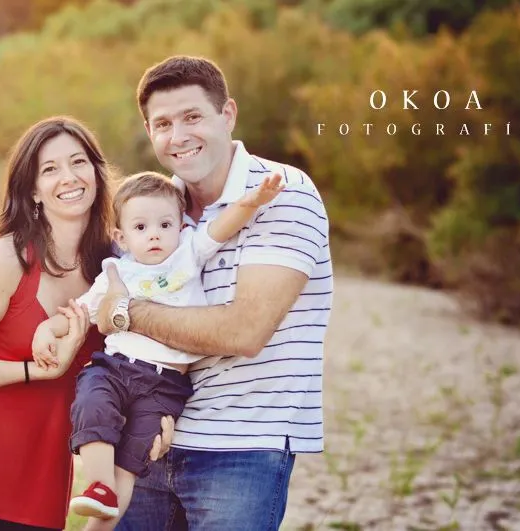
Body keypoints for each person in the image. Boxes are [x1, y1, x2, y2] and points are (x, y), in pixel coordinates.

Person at [88, 56, 334, 531]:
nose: (178, 136)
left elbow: (244, 331)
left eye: (192, 117)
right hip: (150, 435)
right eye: (163, 124)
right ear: (149, 132)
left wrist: (123, 312)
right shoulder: (154, 209)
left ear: (228, 115)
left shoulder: (283, 193)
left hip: (240, 448)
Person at [0, 116, 166, 530]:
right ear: (33, 189)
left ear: (97, 174)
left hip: (38, 489)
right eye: (50, 169)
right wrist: (41, 370)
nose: (69, 177)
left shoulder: (120, 267)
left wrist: (158, 415)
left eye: (78, 162)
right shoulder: (11, 256)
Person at [31, 171, 284, 521]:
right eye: (140, 228)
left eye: (165, 225)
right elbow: (83, 311)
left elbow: (221, 227)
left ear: (180, 227)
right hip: (115, 368)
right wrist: (48, 327)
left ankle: (103, 517)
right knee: (92, 404)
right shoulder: (116, 272)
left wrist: (250, 202)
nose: (154, 234)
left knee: (136, 454)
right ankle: (99, 485)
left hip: (164, 384)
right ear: (120, 236)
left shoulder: (187, 254)